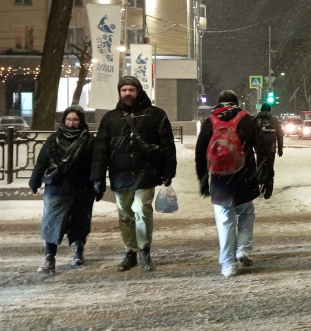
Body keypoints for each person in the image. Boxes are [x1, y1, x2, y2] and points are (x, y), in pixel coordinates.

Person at [91, 75, 177, 272]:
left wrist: (169, 171)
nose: (127, 93)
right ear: (119, 93)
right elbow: (100, 151)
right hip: (120, 175)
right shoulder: (110, 118)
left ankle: (144, 250)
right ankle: (130, 251)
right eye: (124, 90)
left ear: (138, 91)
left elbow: (168, 146)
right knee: (125, 215)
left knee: (142, 211)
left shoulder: (156, 115)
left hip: (146, 174)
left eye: (131, 90)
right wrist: (97, 177)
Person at [195, 90, 273, 278]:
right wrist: (266, 177)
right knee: (246, 212)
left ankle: (228, 264)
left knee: (225, 220)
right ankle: (243, 249)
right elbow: (263, 151)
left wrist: (203, 180)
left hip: (220, 180)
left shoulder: (210, 122)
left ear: (219, 103)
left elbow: (200, 153)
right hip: (245, 178)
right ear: (236, 103)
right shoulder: (247, 120)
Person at [28, 106, 96, 275]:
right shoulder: (54, 139)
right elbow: (42, 161)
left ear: (81, 121)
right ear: (64, 120)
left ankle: (78, 252)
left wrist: (97, 182)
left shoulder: (89, 140)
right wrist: (35, 180)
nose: (71, 123)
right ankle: (49, 259)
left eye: (75, 120)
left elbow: (96, 165)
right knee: (52, 222)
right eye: (68, 119)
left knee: (80, 221)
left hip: (82, 188)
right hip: (57, 187)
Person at [254, 103, 284, 183]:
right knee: (270, 164)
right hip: (271, 148)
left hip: (259, 148)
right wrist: (280, 148)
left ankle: (260, 179)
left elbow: (252, 133)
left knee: (260, 164)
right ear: (270, 110)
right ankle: (269, 180)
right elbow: (280, 135)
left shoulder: (256, 119)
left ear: (261, 110)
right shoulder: (275, 120)